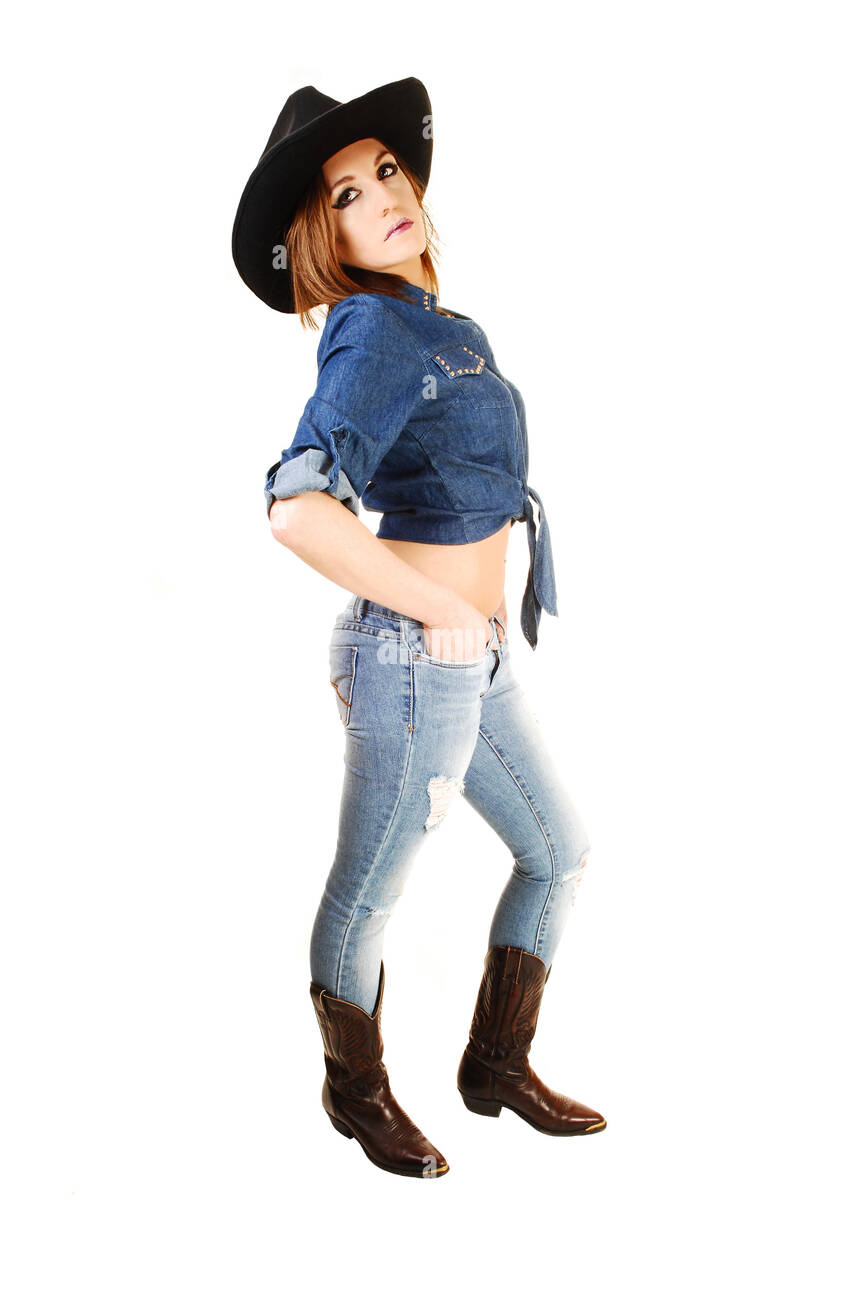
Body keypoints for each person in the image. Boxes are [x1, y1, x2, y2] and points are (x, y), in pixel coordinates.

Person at [232, 77, 606, 1180]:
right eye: (346, 193)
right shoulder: (371, 327)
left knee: (557, 851)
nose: (383, 196)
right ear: (321, 234)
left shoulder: (446, 326)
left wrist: (473, 622)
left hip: (470, 659)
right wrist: (442, 604)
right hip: (411, 657)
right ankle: (354, 1091)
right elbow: (296, 506)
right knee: (371, 889)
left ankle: (495, 1063)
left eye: (387, 171)